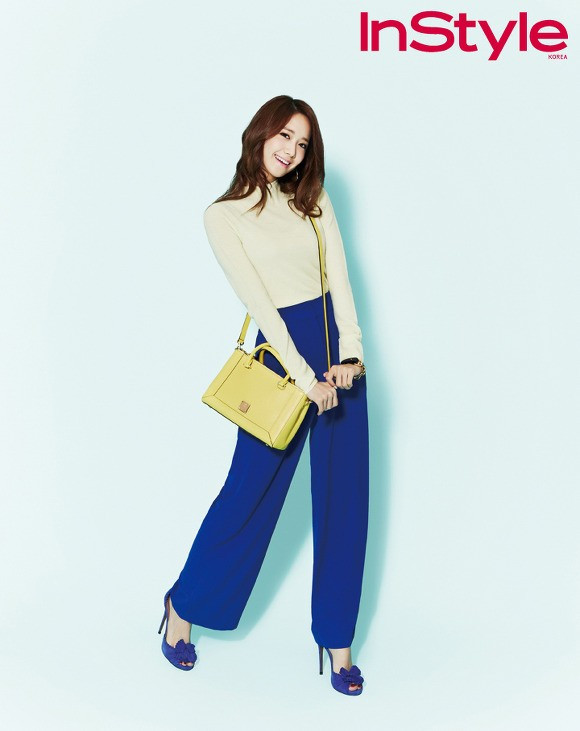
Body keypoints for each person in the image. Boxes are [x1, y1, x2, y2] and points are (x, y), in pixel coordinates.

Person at [157, 95, 369, 696]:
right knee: (248, 494)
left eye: (302, 143)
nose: (291, 150)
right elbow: (262, 308)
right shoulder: (222, 216)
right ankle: (182, 606)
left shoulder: (313, 200)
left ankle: (337, 642)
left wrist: (351, 356)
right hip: (283, 358)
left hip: (338, 357)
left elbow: (340, 280)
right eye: (284, 136)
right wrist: (306, 379)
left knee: (345, 503)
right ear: (260, 134)